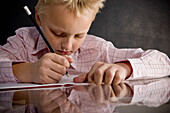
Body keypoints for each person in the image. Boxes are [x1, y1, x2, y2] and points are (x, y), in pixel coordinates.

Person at [0, 0, 169, 84]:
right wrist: (27, 71)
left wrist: (124, 68)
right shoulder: (24, 41)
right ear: (38, 17)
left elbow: (163, 62)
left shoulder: (98, 49)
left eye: (79, 36)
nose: (67, 46)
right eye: (58, 33)